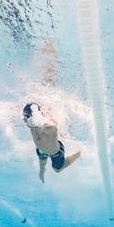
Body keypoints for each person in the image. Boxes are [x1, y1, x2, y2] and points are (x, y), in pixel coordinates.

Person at [23, 42, 80, 184]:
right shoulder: (52, 140)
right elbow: (53, 125)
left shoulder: (41, 150)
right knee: (57, 168)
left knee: (44, 162)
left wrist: (41, 173)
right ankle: (80, 153)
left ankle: (42, 173)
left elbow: (42, 162)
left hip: (41, 142)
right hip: (50, 142)